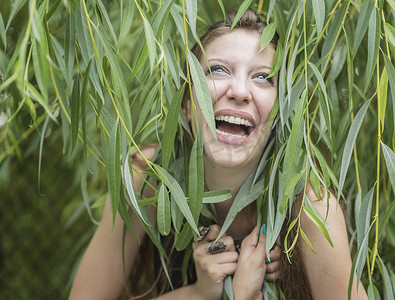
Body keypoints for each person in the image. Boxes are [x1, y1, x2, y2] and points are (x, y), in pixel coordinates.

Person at [69, 9, 368, 300]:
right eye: (217, 70)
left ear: (282, 114)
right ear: (186, 105)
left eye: (263, 77)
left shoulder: (312, 212)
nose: (239, 91)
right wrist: (199, 294)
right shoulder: (146, 177)